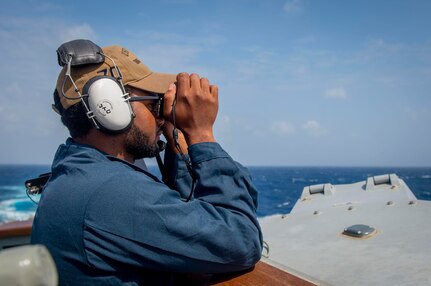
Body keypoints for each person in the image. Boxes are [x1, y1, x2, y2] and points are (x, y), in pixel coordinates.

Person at [30, 39, 262, 285]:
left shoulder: (78, 173)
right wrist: (202, 135)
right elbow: (241, 241)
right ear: (109, 107)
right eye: (154, 105)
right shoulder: (111, 192)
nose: (163, 118)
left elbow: (186, 218)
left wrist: (179, 148)